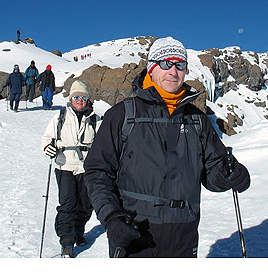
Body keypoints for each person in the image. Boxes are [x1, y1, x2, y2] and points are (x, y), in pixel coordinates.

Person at [84, 37, 250, 258]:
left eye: (180, 65)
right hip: (134, 236)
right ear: (151, 68)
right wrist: (111, 218)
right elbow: (97, 172)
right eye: (165, 64)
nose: (173, 71)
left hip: (184, 237)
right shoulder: (123, 115)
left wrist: (233, 175)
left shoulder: (197, 121)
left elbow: (214, 174)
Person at [41, 81, 102, 258]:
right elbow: (47, 138)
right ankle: (67, 242)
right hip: (65, 165)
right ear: (71, 98)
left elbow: (103, 142)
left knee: (85, 204)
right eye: (76, 97)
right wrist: (48, 147)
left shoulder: (95, 119)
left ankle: (78, 231)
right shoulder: (60, 117)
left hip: (86, 168)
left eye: (83, 97)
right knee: (67, 205)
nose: (80, 100)